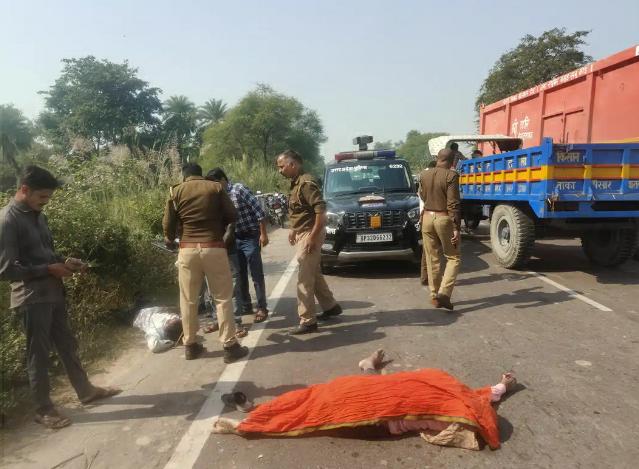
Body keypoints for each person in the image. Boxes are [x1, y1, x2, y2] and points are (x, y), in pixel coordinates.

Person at [0, 166, 121, 429]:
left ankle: (86, 391)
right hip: (31, 298)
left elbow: (45, 254)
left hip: (53, 293)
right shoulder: (8, 220)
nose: (46, 202)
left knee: (68, 344)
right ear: (24, 190)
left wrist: (65, 262)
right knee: (39, 354)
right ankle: (43, 410)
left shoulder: (38, 215)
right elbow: (7, 270)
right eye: (42, 196)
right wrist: (48, 269)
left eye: (48, 197)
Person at [212, 349, 517, 451]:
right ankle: (251, 420)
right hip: (372, 410)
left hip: (370, 395)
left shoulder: (451, 390)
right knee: (311, 411)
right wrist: (501, 388)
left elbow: (485, 396)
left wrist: (502, 386)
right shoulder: (455, 409)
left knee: (311, 399)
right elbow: (485, 399)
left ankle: (253, 414)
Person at [162, 163, 249, 362]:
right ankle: (230, 346)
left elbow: (168, 224)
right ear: (200, 174)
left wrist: (169, 238)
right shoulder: (215, 187)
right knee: (222, 298)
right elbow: (233, 214)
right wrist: (221, 228)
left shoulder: (175, 191)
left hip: (187, 250)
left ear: (185, 176)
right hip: (214, 247)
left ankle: (191, 346)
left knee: (188, 299)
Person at [276, 150, 341, 335]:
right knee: (313, 273)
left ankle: (308, 321)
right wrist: (293, 228)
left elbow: (321, 212)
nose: (280, 170)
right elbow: (301, 211)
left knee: (304, 279)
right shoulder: (296, 183)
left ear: (293, 164)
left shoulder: (306, 183)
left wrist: (312, 237)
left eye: (282, 166)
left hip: (310, 233)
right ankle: (331, 307)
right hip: (304, 232)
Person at [205, 168, 270, 328]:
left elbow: (259, 211)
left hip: (250, 235)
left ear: (223, 179)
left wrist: (263, 234)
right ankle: (246, 305)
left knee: (256, 273)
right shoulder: (218, 196)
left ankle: (262, 307)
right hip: (234, 238)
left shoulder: (238, 189)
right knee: (239, 275)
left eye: (215, 183)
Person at [419, 149, 462, 310]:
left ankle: (434, 295)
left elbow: (422, 196)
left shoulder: (424, 175)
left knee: (432, 258)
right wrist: (456, 227)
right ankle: (444, 293)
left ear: (438, 159)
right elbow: (453, 203)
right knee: (453, 257)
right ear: (452, 161)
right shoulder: (451, 175)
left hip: (427, 218)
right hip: (443, 219)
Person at [419, 160, 437, 286]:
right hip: (435, 216)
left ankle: (425, 277)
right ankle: (434, 279)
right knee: (437, 251)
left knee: (426, 249)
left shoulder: (422, 178)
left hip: (424, 216)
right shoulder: (434, 179)